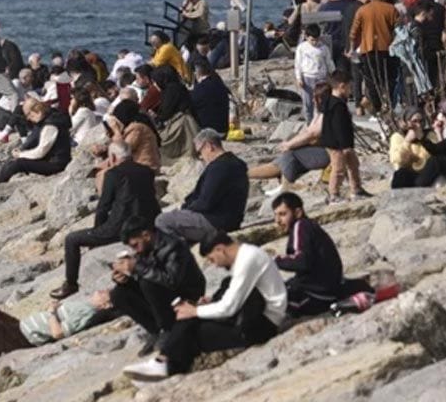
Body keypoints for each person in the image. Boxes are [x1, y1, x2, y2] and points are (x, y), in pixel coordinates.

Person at [122, 233, 286, 381]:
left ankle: (163, 364)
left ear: (220, 249)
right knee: (192, 325)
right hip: (256, 317)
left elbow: (228, 307)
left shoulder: (248, 259)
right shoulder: (247, 254)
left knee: (193, 329)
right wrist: (209, 304)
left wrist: (195, 311)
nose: (214, 265)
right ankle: (163, 367)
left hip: (262, 325)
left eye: (212, 259)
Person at [50, 142, 161, 300]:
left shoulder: (113, 174)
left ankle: (71, 285)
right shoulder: (147, 171)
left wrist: (97, 231)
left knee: (71, 239)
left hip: (119, 228)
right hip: (147, 223)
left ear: (113, 157)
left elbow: (103, 206)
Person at [109, 218, 207, 354]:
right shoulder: (145, 250)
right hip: (161, 292)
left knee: (148, 283)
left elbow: (171, 280)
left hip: (186, 294)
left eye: (135, 245)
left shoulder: (173, 246)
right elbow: (146, 275)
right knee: (118, 294)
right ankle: (155, 330)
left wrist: (137, 267)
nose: (135, 250)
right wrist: (125, 279)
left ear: (146, 235)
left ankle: (168, 328)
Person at [0, 291, 116, 378]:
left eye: (104, 293)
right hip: (21, 327)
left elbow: (58, 333)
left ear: (105, 305)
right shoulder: (86, 306)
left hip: (24, 337)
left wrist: (51, 311)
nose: (100, 290)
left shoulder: (87, 312)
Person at [155, 129, 249, 243]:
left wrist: (184, 209)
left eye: (200, 152)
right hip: (230, 220)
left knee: (162, 220)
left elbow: (205, 202)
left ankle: (178, 254)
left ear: (209, 146)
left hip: (215, 222)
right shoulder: (237, 163)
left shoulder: (219, 168)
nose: (201, 157)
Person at [250, 83, 332, 196]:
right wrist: (291, 141)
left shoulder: (330, 113)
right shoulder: (320, 112)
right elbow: (308, 131)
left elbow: (313, 134)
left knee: (290, 154)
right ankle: (245, 174)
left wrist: (290, 145)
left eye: (315, 98)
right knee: (280, 161)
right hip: (317, 148)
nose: (313, 100)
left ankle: (286, 186)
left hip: (328, 153)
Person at [271, 192, 345, 316]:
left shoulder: (300, 226)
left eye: (283, 214)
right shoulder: (307, 226)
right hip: (325, 287)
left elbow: (302, 261)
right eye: (276, 215)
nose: (278, 220)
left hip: (320, 293)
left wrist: (273, 261)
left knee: (272, 301)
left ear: (298, 212)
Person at [0, 99, 72, 185]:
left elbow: (40, 152)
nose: (29, 119)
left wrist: (20, 155)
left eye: (28, 115)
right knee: (16, 161)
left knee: (19, 163)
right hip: (55, 159)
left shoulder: (50, 125)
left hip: (56, 164)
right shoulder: (51, 116)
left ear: (35, 111)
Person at [349, 0, 399, 112]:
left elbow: (353, 33)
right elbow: (399, 29)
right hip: (388, 48)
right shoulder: (391, 9)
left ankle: (377, 107)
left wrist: (351, 48)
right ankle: (388, 103)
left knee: (371, 80)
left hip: (368, 48)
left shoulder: (362, 10)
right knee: (389, 78)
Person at [320, 70, 367, 203]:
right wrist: (344, 145)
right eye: (349, 87)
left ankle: (356, 189)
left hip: (341, 143)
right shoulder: (337, 105)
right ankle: (333, 194)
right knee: (338, 168)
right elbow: (338, 127)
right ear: (342, 86)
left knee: (353, 164)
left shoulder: (332, 101)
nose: (350, 90)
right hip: (337, 144)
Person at [105, 100, 161, 174]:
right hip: (142, 166)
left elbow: (122, 151)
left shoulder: (136, 128)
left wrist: (116, 130)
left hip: (146, 167)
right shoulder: (136, 126)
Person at [295, 24, 334, 122]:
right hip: (307, 77)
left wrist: (333, 73)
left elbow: (329, 62)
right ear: (306, 37)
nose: (314, 42)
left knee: (322, 101)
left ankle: (322, 122)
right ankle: (309, 122)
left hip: (321, 77)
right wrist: (299, 78)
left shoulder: (324, 48)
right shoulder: (302, 48)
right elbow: (298, 64)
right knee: (308, 103)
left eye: (316, 40)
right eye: (312, 40)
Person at [389, 108, 431, 188]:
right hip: (407, 172)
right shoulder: (398, 136)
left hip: (425, 173)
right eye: (414, 121)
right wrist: (407, 141)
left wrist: (422, 139)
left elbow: (431, 156)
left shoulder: (429, 135)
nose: (418, 125)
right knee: (400, 175)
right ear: (406, 122)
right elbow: (396, 159)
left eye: (421, 121)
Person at [189, 61, 230, 134]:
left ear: (197, 73)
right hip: (223, 131)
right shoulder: (221, 86)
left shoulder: (199, 89)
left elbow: (190, 106)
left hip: (206, 133)